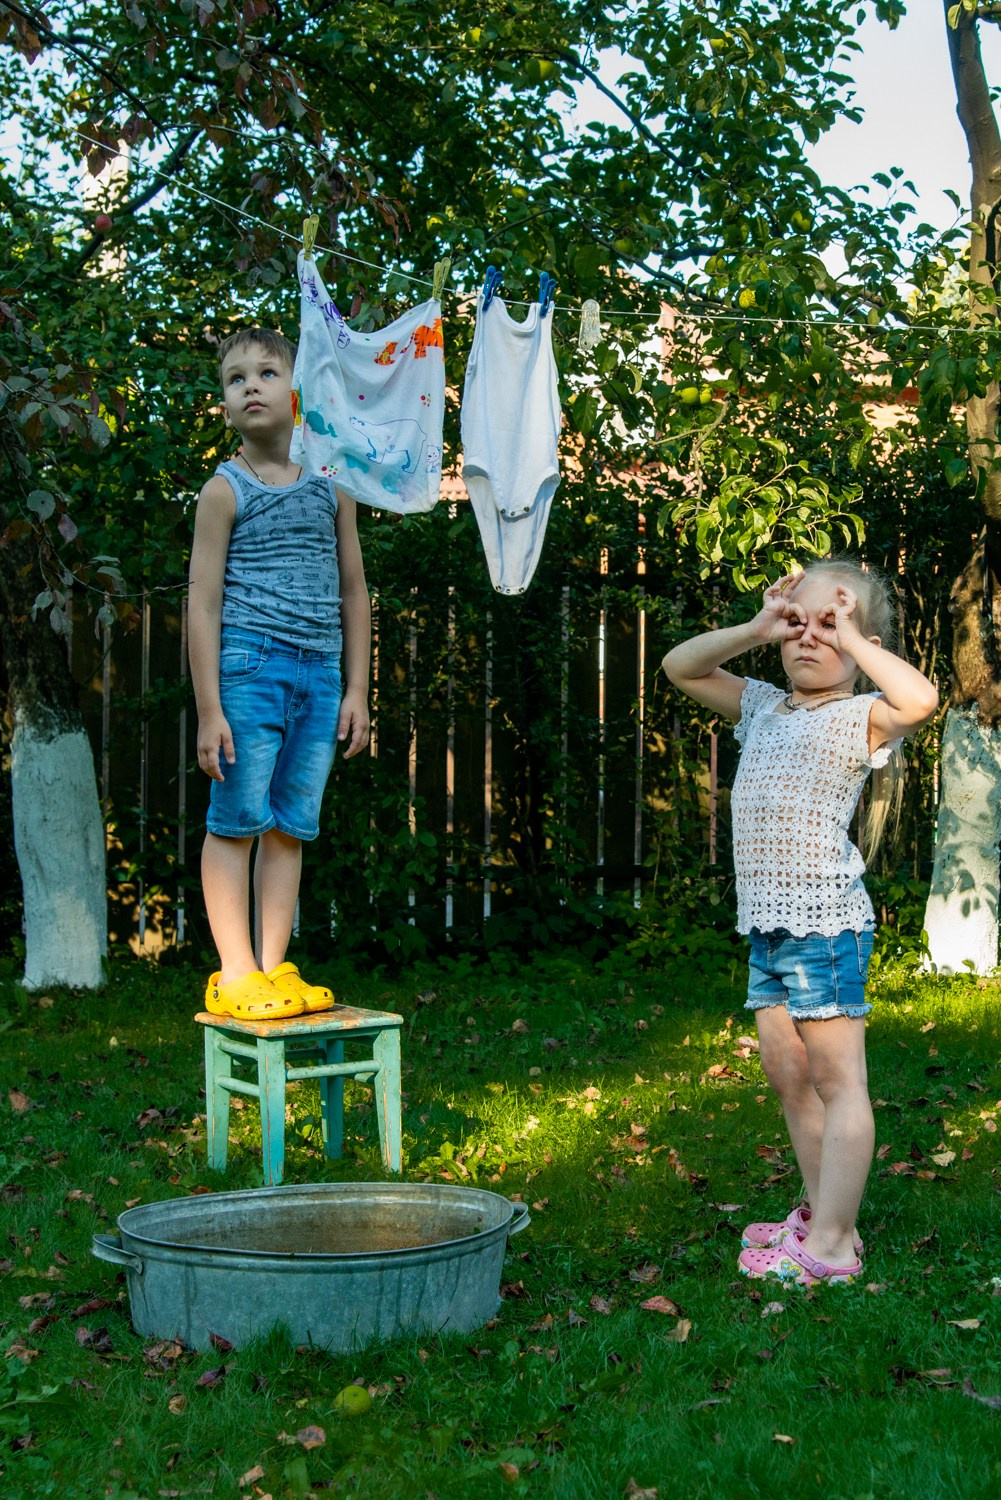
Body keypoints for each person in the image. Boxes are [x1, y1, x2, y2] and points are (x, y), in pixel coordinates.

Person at [662, 560, 938, 1286]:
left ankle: (834, 1248)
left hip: (823, 923)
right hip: (769, 926)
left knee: (838, 1079)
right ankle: (820, 1213)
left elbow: (919, 698)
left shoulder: (860, 715)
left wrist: (851, 633)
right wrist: (755, 627)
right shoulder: (761, 706)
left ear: (859, 639)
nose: (807, 638)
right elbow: (679, 666)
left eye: (830, 625)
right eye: (797, 624)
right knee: (789, 1075)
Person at [188, 327, 371, 1020]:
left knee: (290, 827)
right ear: (227, 407)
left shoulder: (333, 483)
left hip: (320, 676)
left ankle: (271, 967)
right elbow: (202, 604)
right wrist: (211, 709)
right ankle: (234, 971)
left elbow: (354, 589)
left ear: (297, 393)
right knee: (236, 821)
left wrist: (356, 688)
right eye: (236, 380)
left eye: (266, 372)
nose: (251, 385)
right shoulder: (223, 490)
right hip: (248, 670)